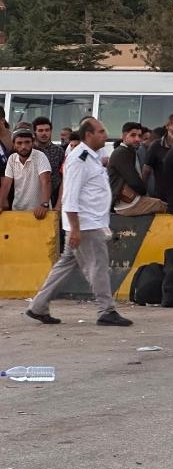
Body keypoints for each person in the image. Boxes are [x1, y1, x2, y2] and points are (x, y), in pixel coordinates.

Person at [25, 118, 132, 326]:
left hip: (87, 223)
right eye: (100, 131)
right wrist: (75, 229)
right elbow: (70, 197)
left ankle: (38, 306)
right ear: (89, 135)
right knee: (98, 266)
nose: (105, 134)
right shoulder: (79, 159)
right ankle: (106, 310)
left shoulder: (93, 156)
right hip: (85, 225)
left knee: (65, 266)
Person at [107, 122, 167, 216]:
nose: (137, 139)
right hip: (127, 204)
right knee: (163, 206)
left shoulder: (129, 151)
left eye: (139, 136)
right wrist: (144, 191)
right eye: (133, 135)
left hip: (131, 201)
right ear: (124, 136)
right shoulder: (122, 152)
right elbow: (133, 181)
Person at [1, 128, 52, 219]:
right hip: (17, 210)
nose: (23, 146)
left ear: (33, 143)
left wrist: (44, 204)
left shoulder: (40, 156)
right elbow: (6, 184)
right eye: (19, 143)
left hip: (39, 211)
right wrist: (0, 204)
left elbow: (46, 181)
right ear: (14, 145)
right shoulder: (12, 159)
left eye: (27, 142)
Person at [32, 116, 64, 203]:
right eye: (40, 130)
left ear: (51, 131)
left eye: (47, 130)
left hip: (55, 196)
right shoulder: (30, 150)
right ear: (35, 132)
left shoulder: (59, 151)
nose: (44, 133)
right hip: (33, 197)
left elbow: (63, 176)